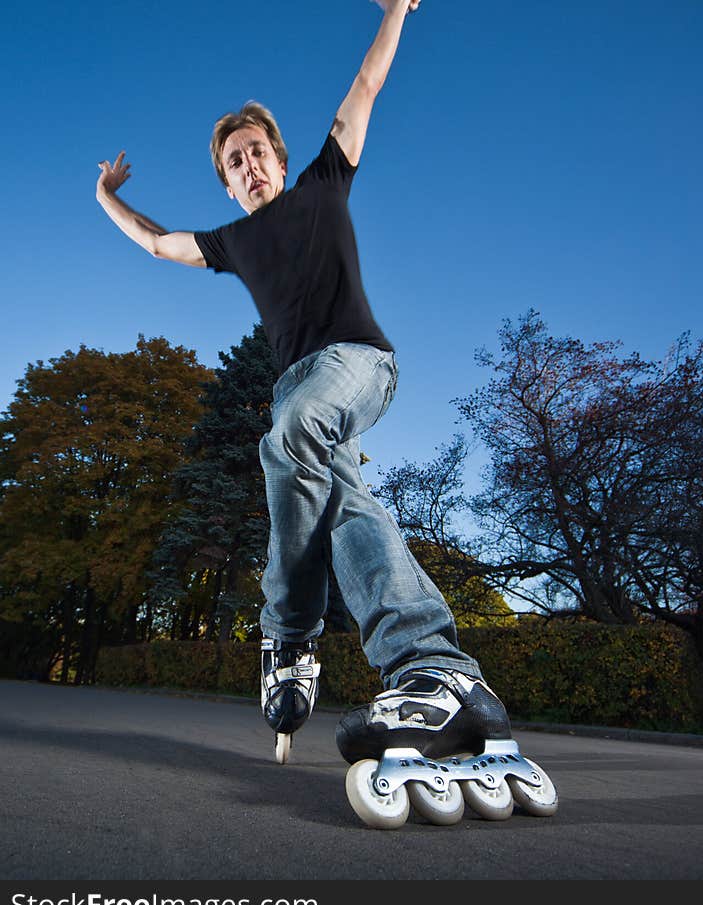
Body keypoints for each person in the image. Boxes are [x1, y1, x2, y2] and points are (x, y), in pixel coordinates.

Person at [95, 0, 513, 766]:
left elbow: (366, 86)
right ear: (227, 186)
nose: (249, 167)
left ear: (281, 161)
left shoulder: (325, 180)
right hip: (296, 389)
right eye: (234, 163)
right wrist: (104, 197)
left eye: (256, 153)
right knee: (334, 487)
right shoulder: (231, 239)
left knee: (295, 435)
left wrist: (394, 11)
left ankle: (326, 644)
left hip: (358, 362)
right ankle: (434, 688)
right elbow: (157, 243)